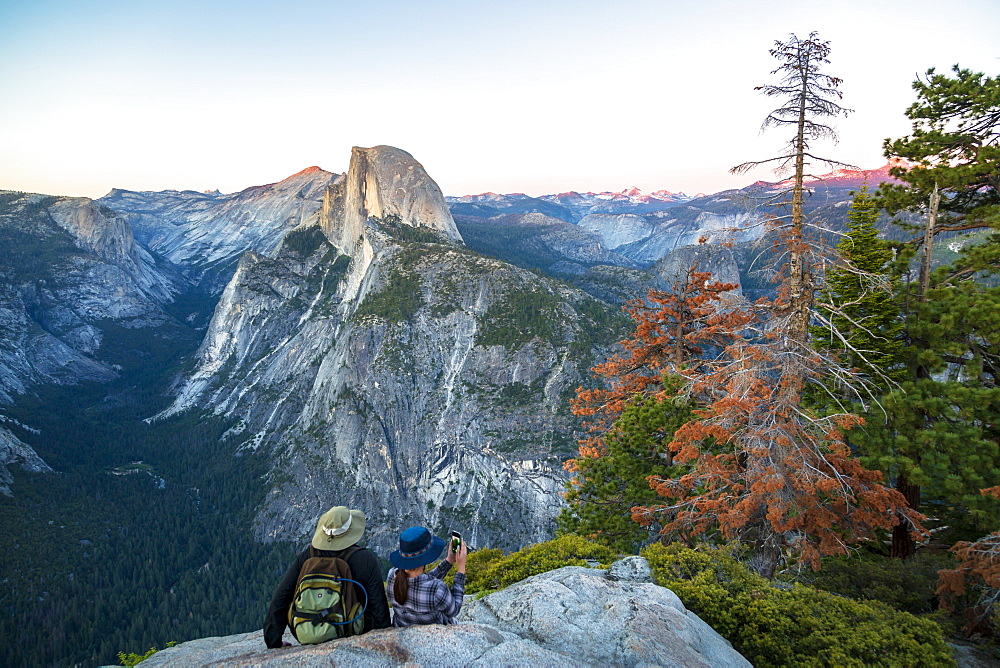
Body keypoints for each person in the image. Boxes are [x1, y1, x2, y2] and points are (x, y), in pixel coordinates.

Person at [263, 506, 391, 648]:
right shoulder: (364, 558)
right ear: (351, 532)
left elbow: (282, 597)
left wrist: (273, 640)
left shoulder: (308, 556)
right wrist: (383, 641)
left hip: (307, 630)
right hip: (351, 630)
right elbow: (378, 606)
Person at [386, 526, 468, 626]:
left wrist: (449, 561)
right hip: (433, 635)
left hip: (401, 631)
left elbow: (421, 582)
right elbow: (454, 610)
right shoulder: (437, 588)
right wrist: (461, 569)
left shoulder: (392, 575)